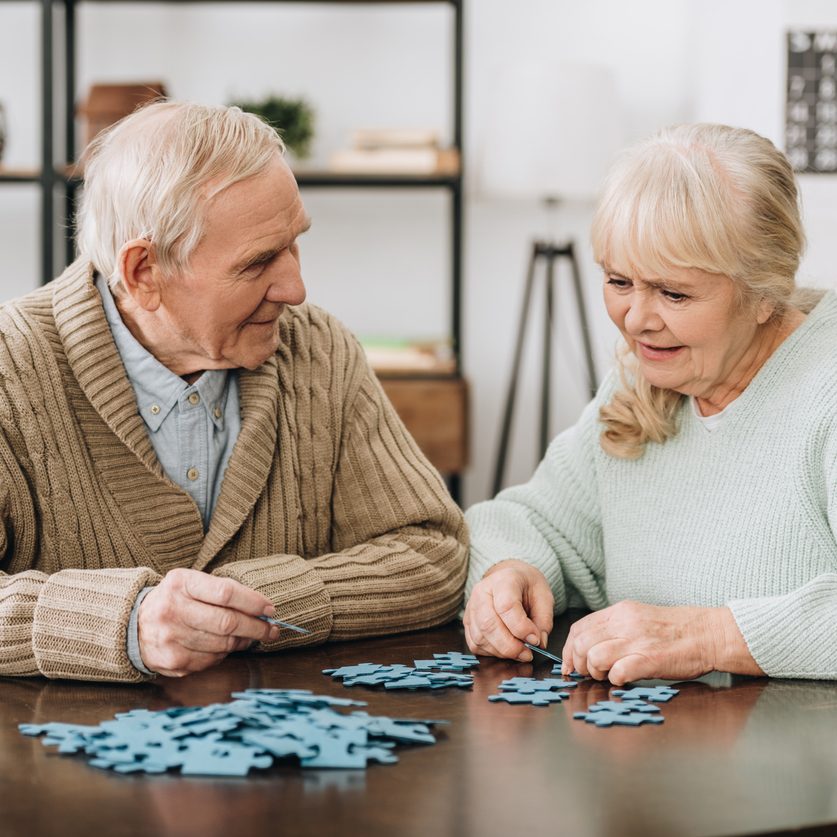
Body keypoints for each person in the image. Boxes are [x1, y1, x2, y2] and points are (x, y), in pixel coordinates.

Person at [0, 101, 467, 682]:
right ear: (144, 272)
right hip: (51, 768)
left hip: (289, 758)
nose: (296, 287)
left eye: (293, 243)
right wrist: (127, 623)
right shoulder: (8, 368)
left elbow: (434, 553)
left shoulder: (318, 348)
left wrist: (251, 604)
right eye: (258, 263)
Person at [464, 123, 837, 683]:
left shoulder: (824, 391)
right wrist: (508, 571)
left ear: (765, 293)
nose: (635, 320)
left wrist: (710, 637)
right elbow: (528, 520)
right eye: (619, 281)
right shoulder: (647, 380)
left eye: (673, 293)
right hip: (651, 760)